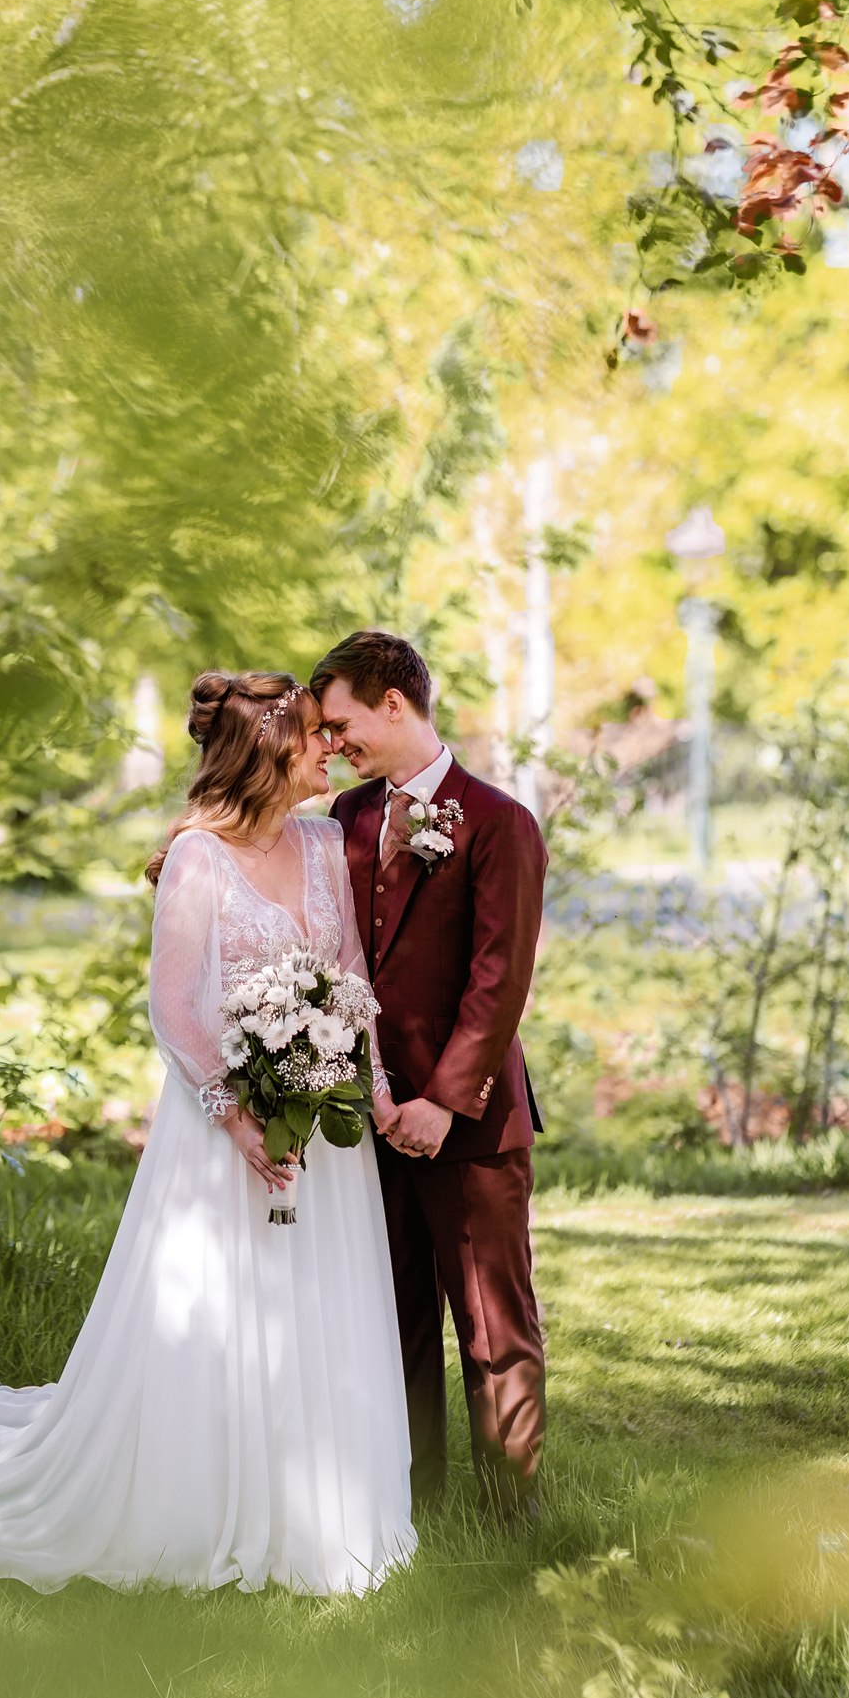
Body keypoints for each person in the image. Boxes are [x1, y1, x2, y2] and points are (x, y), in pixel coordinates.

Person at [0, 671, 415, 1597]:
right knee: (225, 1309)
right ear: (270, 750)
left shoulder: (320, 845)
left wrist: (366, 1087)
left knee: (318, 1299)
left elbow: (350, 979)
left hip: (320, 1124)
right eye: (313, 736)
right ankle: (203, 1500)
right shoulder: (196, 860)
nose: (329, 750)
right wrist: (239, 1118)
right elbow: (174, 1011)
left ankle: (318, 1509)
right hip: (222, 1132)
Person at [313, 629, 548, 1524]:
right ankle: (408, 1504)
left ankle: (508, 1517)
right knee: (392, 1318)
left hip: (472, 1125)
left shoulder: (498, 822)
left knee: (492, 1327)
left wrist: (444, 1102)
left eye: (341, 725)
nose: (333, 745)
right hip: (369, 1119)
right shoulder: (345, 820)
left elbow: (500, 979)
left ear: (394, 704)